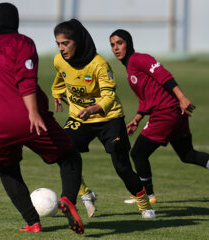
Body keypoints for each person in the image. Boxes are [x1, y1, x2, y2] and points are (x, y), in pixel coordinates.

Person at [0, 3, 84, 234]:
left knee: (7, 169)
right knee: (69, 156)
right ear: (15, 21)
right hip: (27, 117)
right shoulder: (21, 42)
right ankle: (68, 199)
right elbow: (26, 78)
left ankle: (33, 222)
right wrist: (32, 112)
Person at [109, 29, 209, 204]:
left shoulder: (140, 59)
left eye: (119, 43)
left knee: (138, 153)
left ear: (128, 43)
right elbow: (147, 97)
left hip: (166, 112)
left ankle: (146, 195)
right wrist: (138, 118)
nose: (115, 48)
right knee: (187, 154)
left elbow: (164, 76)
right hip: (174, 113)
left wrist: (182, 97)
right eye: (112, 45)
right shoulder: (130, 67)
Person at [51, 19, 155, 219]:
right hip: (79, 118)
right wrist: (56, 93)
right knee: (62, 151)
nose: (62, 49)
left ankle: (145, 204)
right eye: (58, 44)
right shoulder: (59, 60)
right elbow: (60, 77)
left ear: (78, 41)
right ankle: (85, 194)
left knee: (122, 166)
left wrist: (93, 108)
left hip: (109, 118)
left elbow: (109, 96)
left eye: (66, 43)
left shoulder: (99, 64)